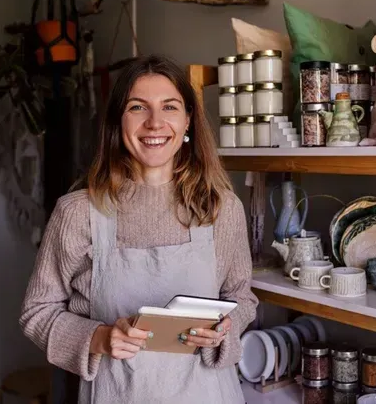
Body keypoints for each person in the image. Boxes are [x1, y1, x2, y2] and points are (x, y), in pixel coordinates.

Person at [19, 55, 258, 404]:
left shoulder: (221, 209)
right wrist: (98, 337)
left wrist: (224, 330)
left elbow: (241, 298)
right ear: (118, 121)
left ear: (188, 120)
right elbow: (37, 311)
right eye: (138, 107)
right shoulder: (77, 212)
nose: (155, 123)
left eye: (170, 107)